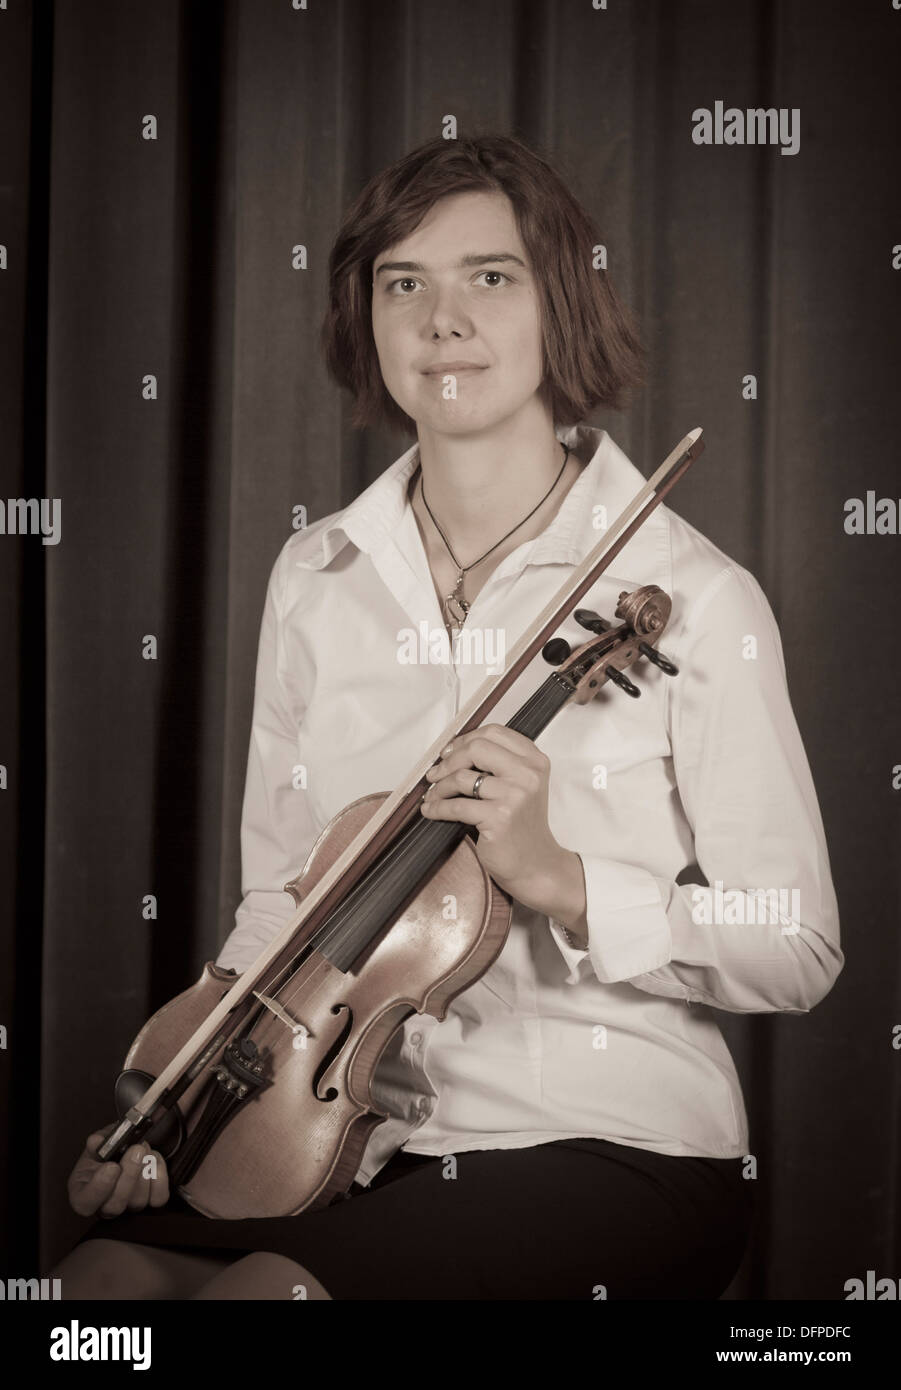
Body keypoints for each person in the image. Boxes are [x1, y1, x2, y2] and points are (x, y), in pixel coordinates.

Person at [52, 132, 843, 1300]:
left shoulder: (694, 595)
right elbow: (283, 904)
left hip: (606, 1138)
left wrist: (564, 877)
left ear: (560, 300)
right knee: (94, 1298)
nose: (440, 319)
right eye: (400, 283)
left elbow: (798, 947)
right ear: (365, 318)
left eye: (490, 276)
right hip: (350, 1141)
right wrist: (180, 1106)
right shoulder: (315, 576)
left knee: (258, 1303)